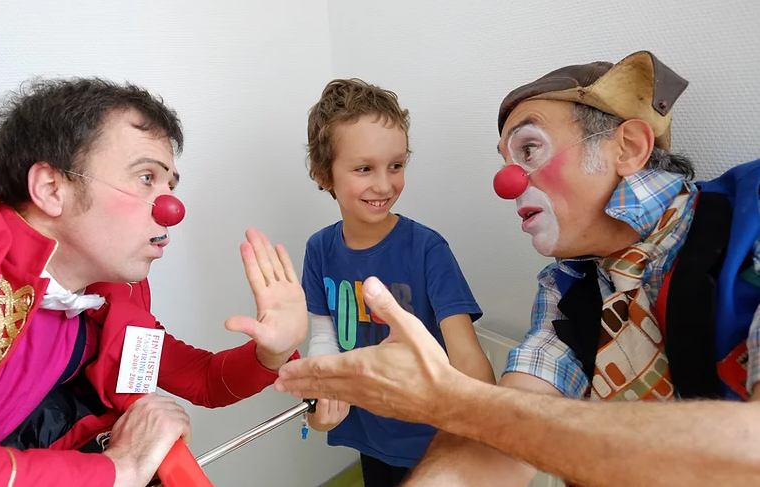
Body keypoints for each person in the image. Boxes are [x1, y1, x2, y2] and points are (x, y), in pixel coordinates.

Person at [274, 51, 760, 487]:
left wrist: (451, 402)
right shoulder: (566, 287)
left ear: (628, 147)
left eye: (528, 149)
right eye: (506, 159)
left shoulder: (751, 223)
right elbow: (501, 436)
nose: (506, 181)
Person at [0, 78, 306, 487]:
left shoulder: (105, 298)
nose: (171, 208)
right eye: (146, 177)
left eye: (170, 185)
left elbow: (205, 379)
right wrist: (120, 468)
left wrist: (272, 353)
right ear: (51, 188)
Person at [301, 78, 495, 486]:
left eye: (396, 165)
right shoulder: (318, 250)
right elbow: (323, 339)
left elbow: (469, 361)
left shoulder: (428, 249)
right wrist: (320, 400)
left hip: (435, 440)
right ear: (323, 173)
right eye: (364, 168)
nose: (385, 185)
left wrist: (481, 429)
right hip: (370, 436)